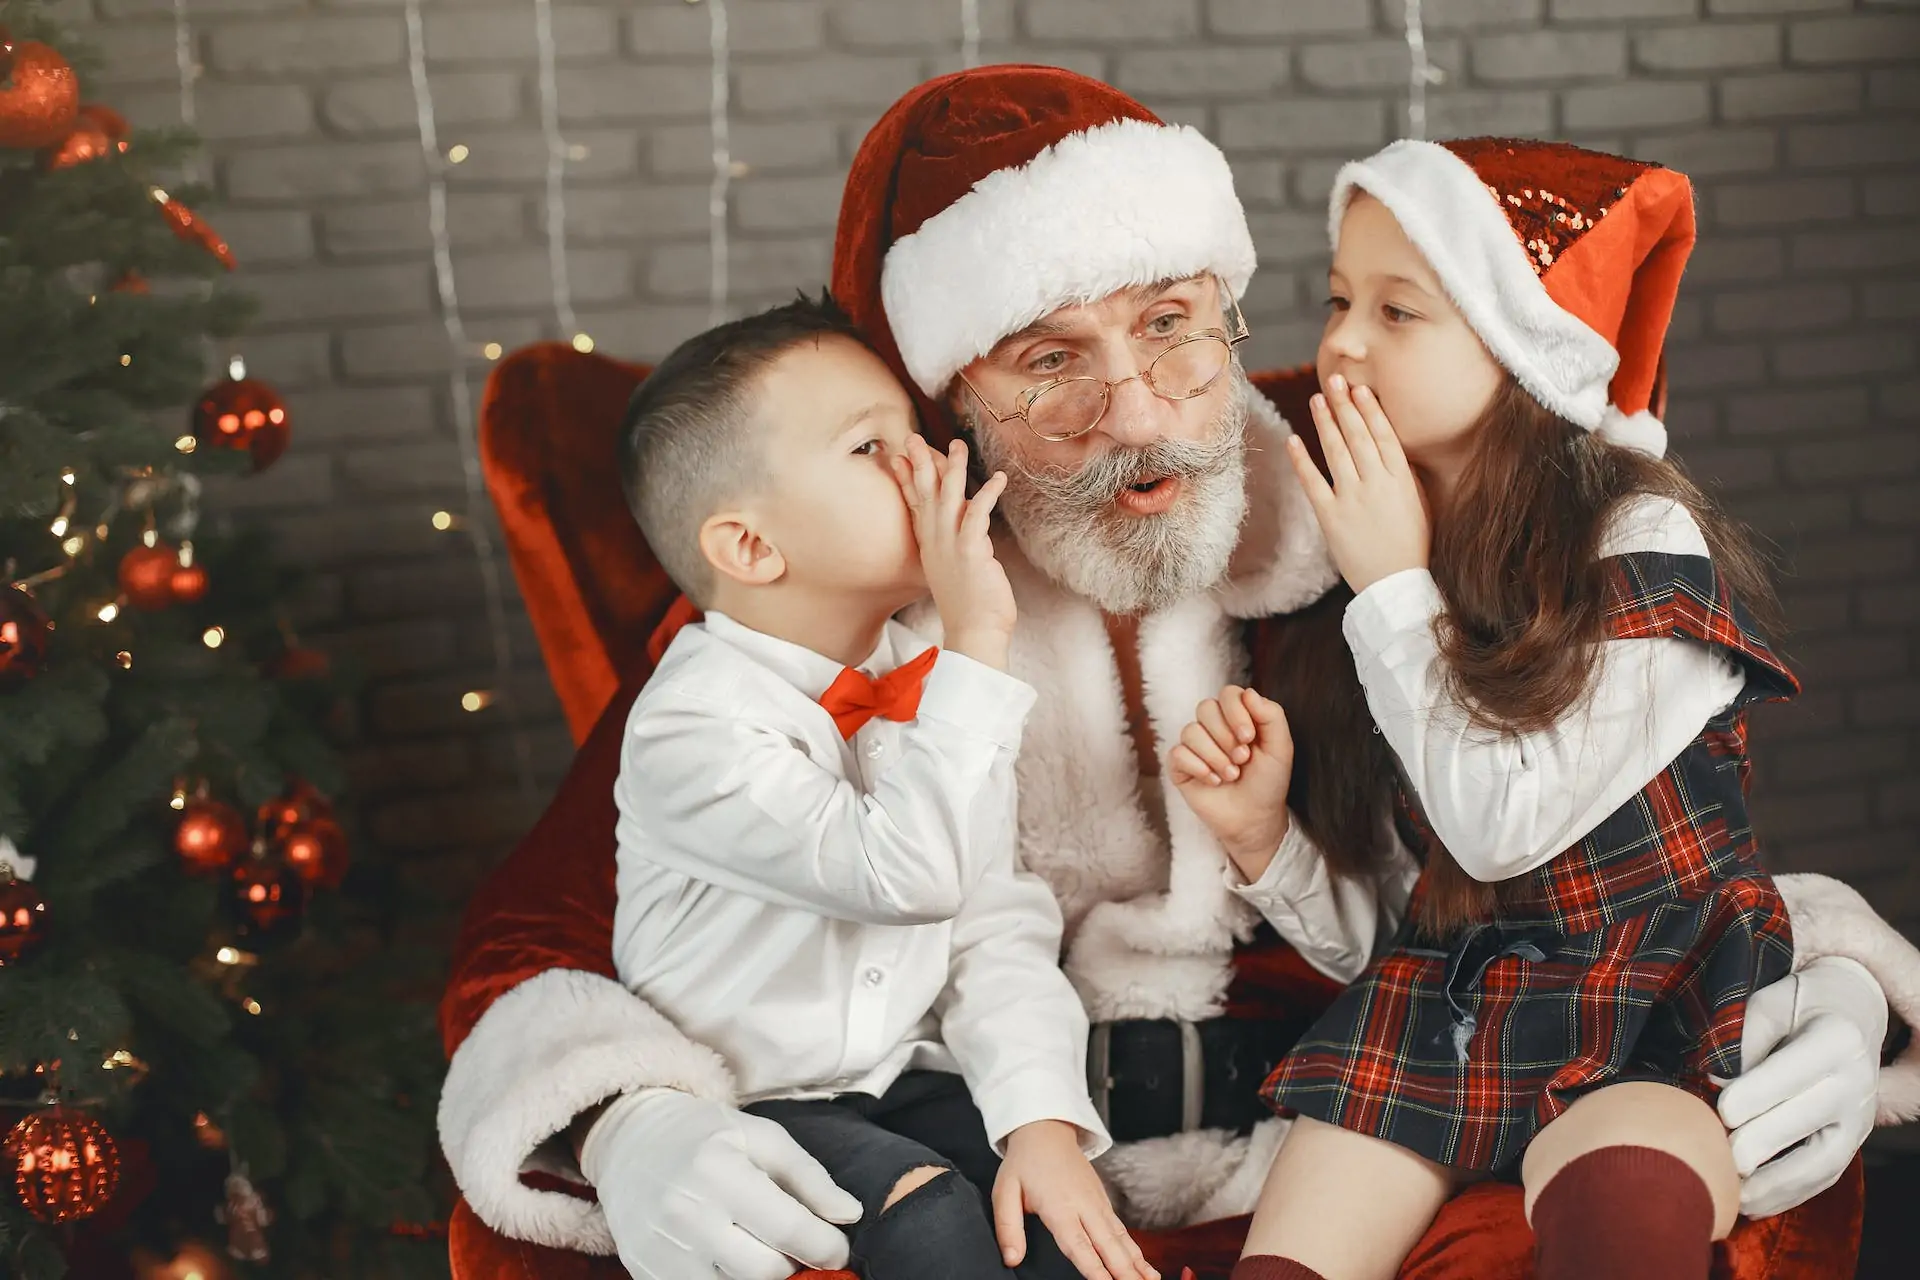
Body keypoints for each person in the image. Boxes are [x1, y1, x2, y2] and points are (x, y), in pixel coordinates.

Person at [437, 69, 1906, 1280]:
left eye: (1168, 329)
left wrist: (1822, 976)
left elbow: (1631, 800)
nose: (1135, 411)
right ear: (942, 407)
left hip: (1375, 1129)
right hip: (1010, 1171)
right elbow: (540, 931)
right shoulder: (859, 603)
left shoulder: (1366, 488)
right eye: (1044, 361)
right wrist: (628, 1118)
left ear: (1228, 312)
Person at [1165, 138, 1802, 1280]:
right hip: (1449, 1011)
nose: (1344, 342)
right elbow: (1407, 928)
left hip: (1646, 998)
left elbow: (1504, 825)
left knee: (1627, 1205)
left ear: (1520, 352)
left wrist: (1396, 593)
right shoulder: (1369, 561)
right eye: (1339, 298)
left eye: (1400, 311)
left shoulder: (1637, 537)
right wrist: (1267, 836)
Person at [605, 293, 1147, 1280]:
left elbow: (991, 919)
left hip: (905, 1071)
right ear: (751, 549)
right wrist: (981, 639)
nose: (929, 465)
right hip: (750, 1099)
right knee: (929, 1215)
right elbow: (909, 875)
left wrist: (1041, 1123)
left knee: (1055, 1219)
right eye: (869, 449)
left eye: (917, 433)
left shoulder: (933, 679)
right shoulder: (692, 724)